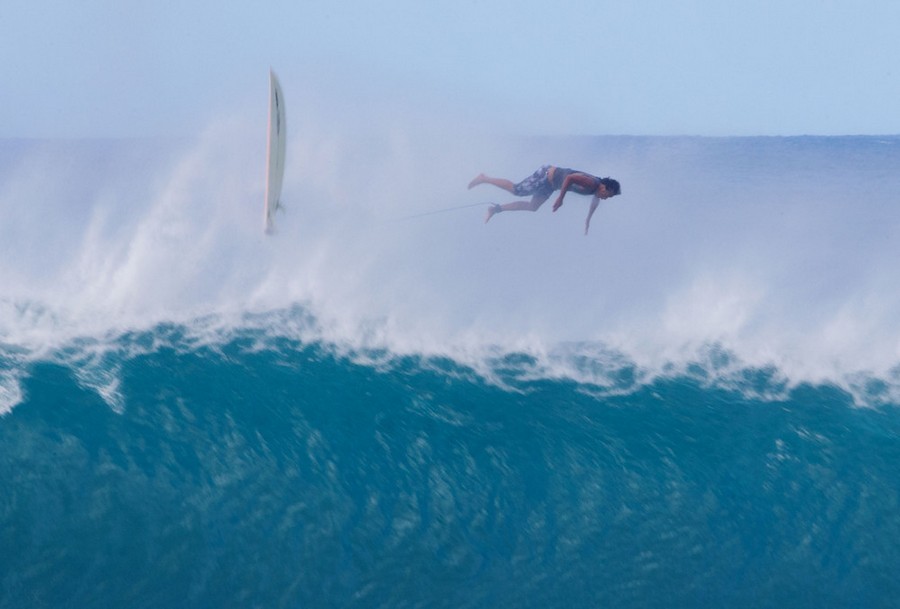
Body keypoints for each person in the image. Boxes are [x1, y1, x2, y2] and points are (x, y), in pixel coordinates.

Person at [468, 165, 621, 235]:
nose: (606, 199)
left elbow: (595, 202)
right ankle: (484, 178)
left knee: (533, 207)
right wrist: (561, 199)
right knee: (517, 190)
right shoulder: (592, 183)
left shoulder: (596, 191)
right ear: (604, 188)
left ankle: (495, 209)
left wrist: (588, 221)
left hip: (551, 185)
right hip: (547, 175)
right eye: (608, 195)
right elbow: (570, 177)